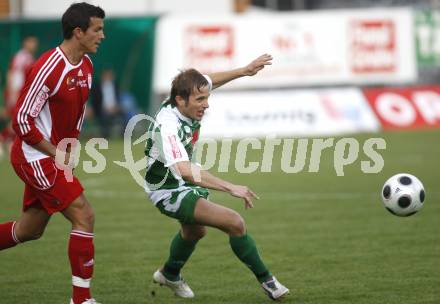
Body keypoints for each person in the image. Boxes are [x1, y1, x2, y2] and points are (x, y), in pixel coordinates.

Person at [144, 54, 290, 300]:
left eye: (207, 97)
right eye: (200, 99)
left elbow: (209, 81)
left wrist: (244, 70)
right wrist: (230, 187)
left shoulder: (182, 99)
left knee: (194, 232)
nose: (206, 104)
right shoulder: (166, 125)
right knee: (235, 222)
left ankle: (169, 273)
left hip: (183, 182)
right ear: (180, 100)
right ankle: (269, 282)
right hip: (168, 189)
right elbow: (184, 170)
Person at [0, 3, 105, 304]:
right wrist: (56, 152)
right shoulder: (48, 67)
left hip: (54, 157)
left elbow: (77, 114)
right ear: (78, 31)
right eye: (97, 29)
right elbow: (21, 120)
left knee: (30, 230)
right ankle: (81, 300)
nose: (102, 35)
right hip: (35, 157)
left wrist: (70, 147)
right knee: (84, 215)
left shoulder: (86, 65)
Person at [1, 36, 39, 153]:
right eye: (31, 42)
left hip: (21, 93)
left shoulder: (29, 57)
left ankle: (9, 142)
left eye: (34, 42)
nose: (33, 45)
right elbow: (13, 73)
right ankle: (3, 140)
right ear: (25, 43)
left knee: (17, 120)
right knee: (15, 119)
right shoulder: (21, 57)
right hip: (16, 93)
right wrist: (13, 92)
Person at [91, 67, 123, 138]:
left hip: (114, 109)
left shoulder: (115, 86)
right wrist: (105, 108)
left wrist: (116, 107)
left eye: (110, 75)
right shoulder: (97, 87)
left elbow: (118, 99)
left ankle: (124, 135)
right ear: (103, 76)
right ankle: (106, 136)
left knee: (125, 113)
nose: (108, 77)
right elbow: (95, 102)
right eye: (106, 75)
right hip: (102, 110)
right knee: (104, 117)